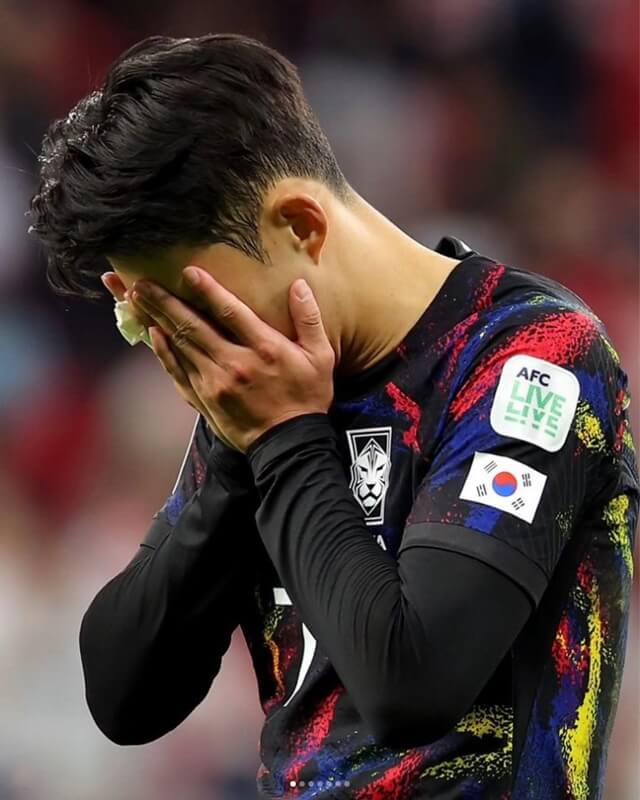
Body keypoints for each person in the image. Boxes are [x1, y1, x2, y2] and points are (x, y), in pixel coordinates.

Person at [29, 34, 638, 800]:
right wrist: (236, 458)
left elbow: (411, 683)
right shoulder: (267, 388)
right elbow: (125, 696)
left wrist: (284, 441)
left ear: (302, 226)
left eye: (197, 306)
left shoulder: (532, 357)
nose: (187, 344)